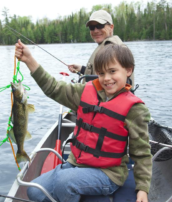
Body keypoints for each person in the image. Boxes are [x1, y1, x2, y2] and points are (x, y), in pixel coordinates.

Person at [15, 39, 152, 202]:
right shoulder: (85, 92)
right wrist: (29, 60)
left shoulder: (135, 110)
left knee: (64, 183)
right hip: (77, 163)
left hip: (108, 174)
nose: (106, 78)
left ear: (128, 70)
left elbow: (142, 153)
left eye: (112, 71)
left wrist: (143, 189)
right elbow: (54, 88)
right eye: (101, 73)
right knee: (34, 192)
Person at [68, 9, 135, 87]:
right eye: (92, 27)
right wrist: (82, 69)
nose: (95, 30)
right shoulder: (106, 46)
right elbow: (103, 73)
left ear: (111, 27)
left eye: (100, 26)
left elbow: (107, 81)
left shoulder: (112, 49)